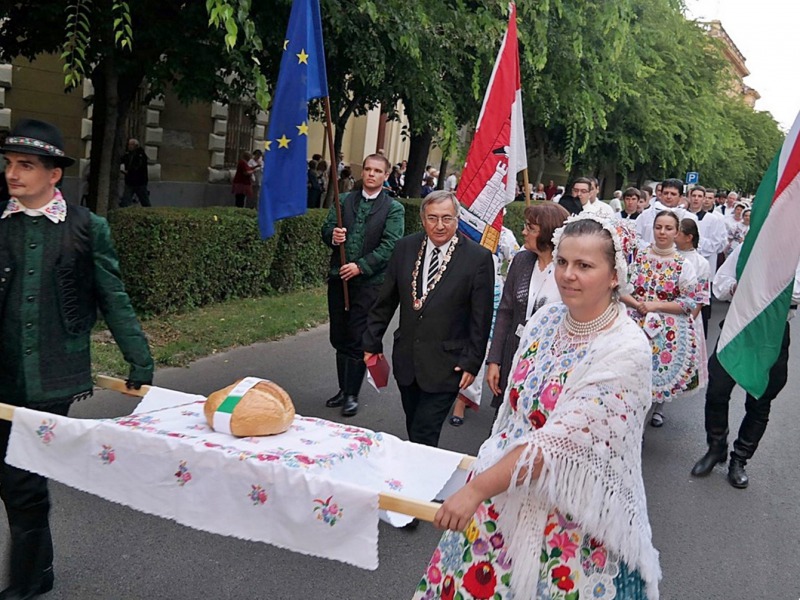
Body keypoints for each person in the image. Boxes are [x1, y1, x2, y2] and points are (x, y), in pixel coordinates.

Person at [413, 214, 660, 600]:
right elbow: (512, 415)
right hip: (503, 497)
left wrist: (476, 489)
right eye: (562, 262)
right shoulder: (545, 319)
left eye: (584, 266)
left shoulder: (626, 349)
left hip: (571, 520)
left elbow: (557, 446)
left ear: (614, 276)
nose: (567, 275)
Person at [0, 118, 153, 598]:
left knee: (20, 480)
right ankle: (39, 569)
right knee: (12, 481)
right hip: (1, 374)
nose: (12, 173)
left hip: (55, 376)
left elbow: (113, 296)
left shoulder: (87, 228)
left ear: (54, 174)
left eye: (26, 165)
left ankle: (27, 583)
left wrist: (138, 359)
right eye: (8, 163)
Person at [363, 190, 494, 447]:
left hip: (448, 364)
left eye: (447, 218)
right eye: (433, 218)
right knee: (414, 426)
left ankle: (420, 482)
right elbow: (386, 301)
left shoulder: (477, 258)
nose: (440, 225)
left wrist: (472, 362)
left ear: (457, 219)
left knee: (424, 432)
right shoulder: (405, 248)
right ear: (423, 219)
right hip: (407, 360)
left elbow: (481, 317)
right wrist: (372, 342)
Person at [690, 244, 799, 488]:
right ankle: (716, 447)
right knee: (717, 388)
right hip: (738, 327)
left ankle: (739, 459)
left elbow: (796, 293)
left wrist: (759, 285)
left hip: (772, 333)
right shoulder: (748, 247)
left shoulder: (794, 249)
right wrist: (736, 287)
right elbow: (720, 284)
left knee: (760, 400)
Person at [321, 154, 405, 417]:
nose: (371, 174)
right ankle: (341, 387)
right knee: (340, 335)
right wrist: (333, 236)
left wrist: (361, 266)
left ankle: (352, 394)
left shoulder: (393, 208)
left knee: (358, 337)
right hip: (339, 279)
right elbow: (326, 228)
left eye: (377, 171)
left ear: (385, 175)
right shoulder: (344, 200)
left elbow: (391, 245)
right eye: (367, 169)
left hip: (370, 284)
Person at [485, 203, 569, 413]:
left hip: (549, 362)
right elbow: (505, 312)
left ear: (548, 233)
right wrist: (494, 360)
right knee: (504, 417)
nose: (524, 232)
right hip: (514, 353)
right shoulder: (521, 260)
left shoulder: (568, 270)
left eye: (531, 228)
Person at [623, 210, 699, 427]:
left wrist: (655, 305)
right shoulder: (638, 258)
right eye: (658, 227)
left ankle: (644, 424)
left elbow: (688, 302)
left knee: (651, 382)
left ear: (676, 232)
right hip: (632, 323)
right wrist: (637, 304)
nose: (662, 232)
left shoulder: (683, 265)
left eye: (668, 228)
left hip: (666, 332)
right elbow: (620, 287)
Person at [676, 218, 710, 384]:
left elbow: (700, 297)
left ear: (688, 237)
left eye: (677, 231)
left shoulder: (701, 263)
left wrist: (689, 322)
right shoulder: (670, 255)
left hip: (687, 317)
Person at [635, 178, 697, 246]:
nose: (668, 197)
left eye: (673, 194)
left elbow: (695, 244)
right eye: (666, 193)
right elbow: (635, 236)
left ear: (680, 197)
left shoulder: (689, 218)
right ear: (660, 194)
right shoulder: (646, 214)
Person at [120, 138, 151, 207]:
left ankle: (149, 211)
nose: (130, 146)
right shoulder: (128, 154)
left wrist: (128, 172)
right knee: (125, 201)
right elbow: (122, 160)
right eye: (129, 144)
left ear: (136, 146)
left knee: (144, 201)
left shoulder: (141, 155)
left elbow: (138, 167)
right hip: (130, 182)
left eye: (132, 145)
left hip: (140, 182)